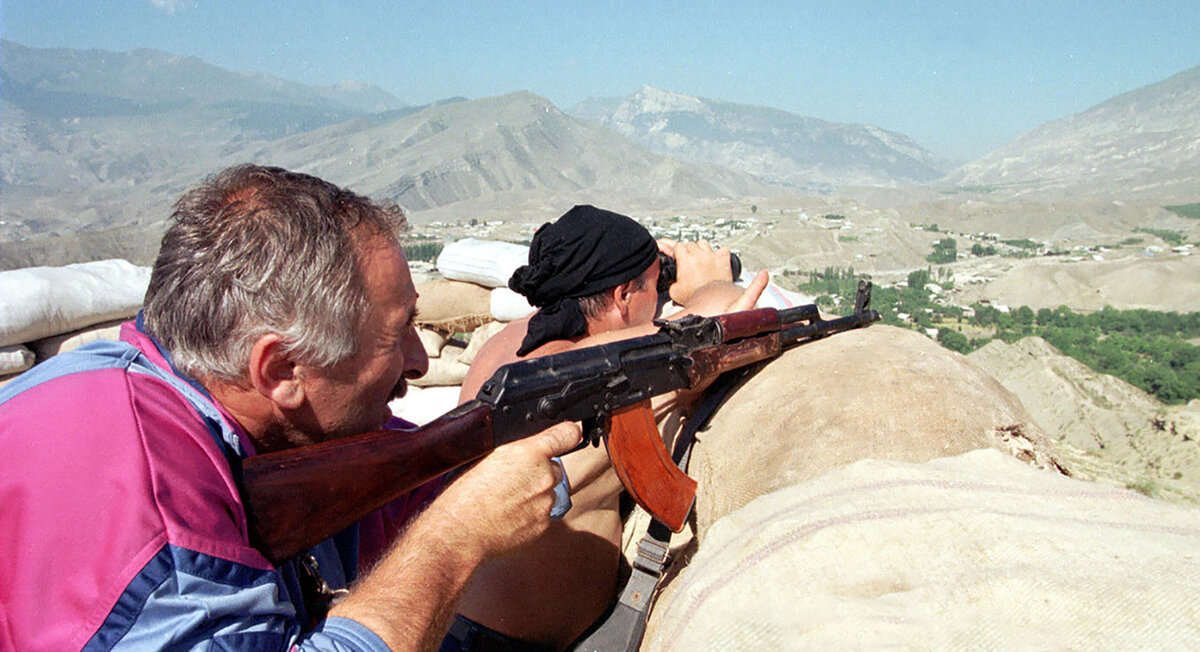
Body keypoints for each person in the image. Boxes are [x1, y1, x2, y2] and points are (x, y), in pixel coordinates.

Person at [0, 164, 580, 651]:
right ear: (280, 371)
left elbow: (395, 475)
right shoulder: (150, 513)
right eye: (396, 335)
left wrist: (487, 464)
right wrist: (456, 537)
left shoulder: (192, 401)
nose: (419, 361)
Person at [448, 205, 767, 650]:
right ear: (622, 296)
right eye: (654, 291)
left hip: (467, 626)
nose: (659, 302)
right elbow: (718, 313)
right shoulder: (588, 365)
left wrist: (648, 271)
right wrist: (705, 280)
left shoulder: (508, 344)